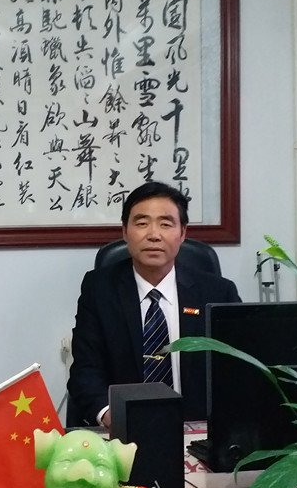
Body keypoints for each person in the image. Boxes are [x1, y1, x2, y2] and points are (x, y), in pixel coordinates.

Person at [67, 182, 241, 426]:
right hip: (125, 427)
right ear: (125, 232)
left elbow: (237, 371)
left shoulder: (218, 292)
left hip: (199, 429)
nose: (154, 234)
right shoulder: (100, 290)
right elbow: (86, 370)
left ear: (182, 233)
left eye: (166, 224)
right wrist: (110, 414)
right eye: (141, 223)